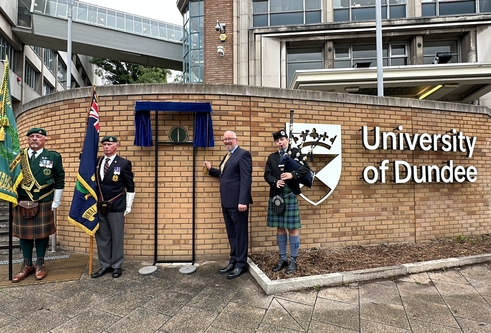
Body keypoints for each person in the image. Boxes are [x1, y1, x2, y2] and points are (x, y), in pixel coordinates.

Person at [12, 128, 65, 283]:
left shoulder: (53, 156)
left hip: (44, 200)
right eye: (31, 136)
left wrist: (57, 200)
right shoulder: (18, 156)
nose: (34, 138)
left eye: (38, 136)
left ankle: (40, 264)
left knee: (42, 234)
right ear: (28, 139)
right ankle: (27, 264)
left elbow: (60, 178)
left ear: (45, 139)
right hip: (22, 200)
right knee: (24, 235)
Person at [203, 130, 253, 279]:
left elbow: (246, 179)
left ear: (236, 139)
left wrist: (243, 201)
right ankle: (233, 261)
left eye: (229, 139)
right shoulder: (228, 155)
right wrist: (211, 170)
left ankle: (241, 264)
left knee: (240, 234)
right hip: (226, 202)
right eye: (224, 139)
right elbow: (225, 175)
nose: (226, 142)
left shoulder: (243, 154)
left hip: (238, 203)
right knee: (232, 234)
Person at [264, 129, 310, 275]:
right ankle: (283, 258)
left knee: (292, 228)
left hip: (290, 194)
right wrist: (274, 182)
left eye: (282, 139)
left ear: (287, 140)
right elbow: (267, 174)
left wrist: (292, 174)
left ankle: (294, 260)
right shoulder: (272, 157)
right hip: (277, 195)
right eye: (277, 141)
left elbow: (306, 169)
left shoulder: (295, 153)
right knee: (280, 228)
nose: (280, 142)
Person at [91, 136, 135, 279]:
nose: (106, 147)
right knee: (102, 236)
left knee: (117, 236)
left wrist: (128, 205)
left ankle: (116, 265)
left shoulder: (123, 163)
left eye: (109, 144)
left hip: (116, 206)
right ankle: (105, 264)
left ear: (116, 145)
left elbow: (130, 186)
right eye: (104, 144)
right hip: (99, 205)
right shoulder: (96, 162)